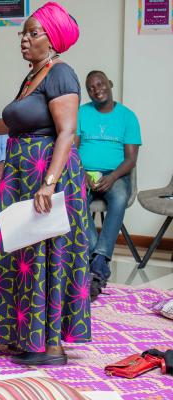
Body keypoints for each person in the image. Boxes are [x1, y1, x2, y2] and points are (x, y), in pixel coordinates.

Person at [0, 2, 90, 365]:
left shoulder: (61, 73)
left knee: (48, 254)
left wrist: (48, 184)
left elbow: (65, 133)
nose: (25, 39)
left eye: (34, 33)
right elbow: (16, 122)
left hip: (47, 175)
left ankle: (51, 346)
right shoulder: (35, 74)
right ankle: (26, 335)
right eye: (23, 33)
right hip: (22, 174)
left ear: (53, 38)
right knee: (25, 254)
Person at [75, 70, 141, 287]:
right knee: (74, 200)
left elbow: (131, 159)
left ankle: (99, 257)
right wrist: (82, 173)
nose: (97, 89)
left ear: (110, 84)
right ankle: (100, 259)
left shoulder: (127, 116)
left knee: (120, 197)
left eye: (100, 84)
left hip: (116, 175)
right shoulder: (81, 113)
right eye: (91, 87)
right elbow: (71, 150)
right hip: (83, 172)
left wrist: (112, 177)